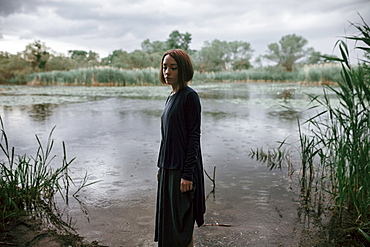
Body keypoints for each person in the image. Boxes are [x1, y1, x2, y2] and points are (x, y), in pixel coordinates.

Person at [154, 49, 206, 247]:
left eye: (173, 68)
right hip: (169, 168)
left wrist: (187, 175)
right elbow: (166, 137)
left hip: (182, 171)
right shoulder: (171, 96)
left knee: (182, 226)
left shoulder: (189, 97)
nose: (167, 71)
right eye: (164, 67)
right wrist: (161, 167)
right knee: (169, 224)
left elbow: (194, 138)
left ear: (182, 69)